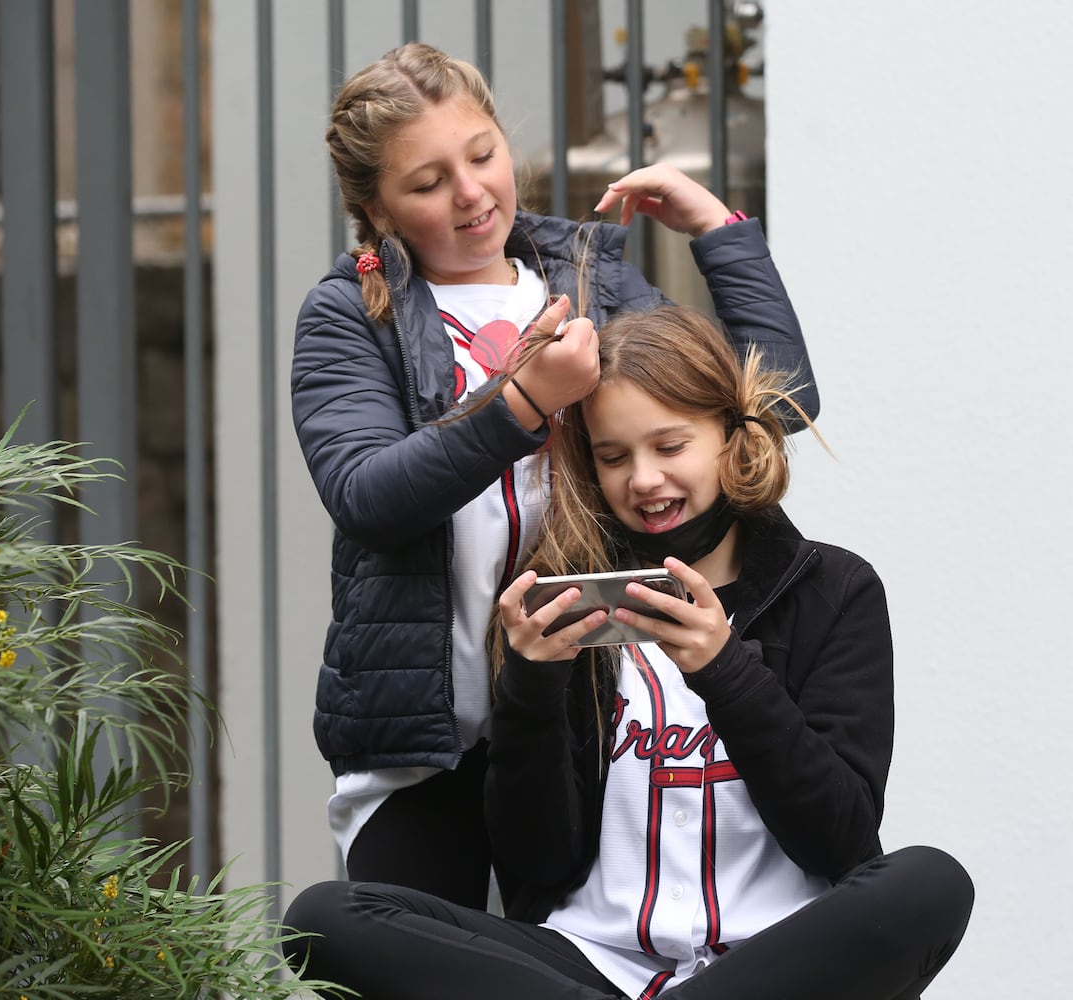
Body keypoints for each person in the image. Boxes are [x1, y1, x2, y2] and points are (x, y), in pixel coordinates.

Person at [282, 305, 974, 999]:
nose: (643, 481)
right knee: (323, 918)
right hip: (588, 964)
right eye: (613, 457)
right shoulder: (558, 604)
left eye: (669, 447)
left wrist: (725, 670)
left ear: (732, 439)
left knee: (930, 880)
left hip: (773, 962)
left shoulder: (832, 589)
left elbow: (840, 841)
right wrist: (530, 685)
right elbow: (536, 861)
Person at [291, 41, 818, 908]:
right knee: (396, 955)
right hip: (427, 746)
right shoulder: (350, 314)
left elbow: (773, 402)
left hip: (588, 729)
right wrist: (525, 401)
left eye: (482, 155)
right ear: (373, 206)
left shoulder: (587, 280)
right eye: (425, 183)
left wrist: (715, 231)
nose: (469, 193)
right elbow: (368, 498)